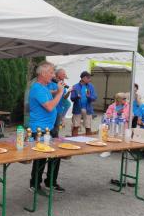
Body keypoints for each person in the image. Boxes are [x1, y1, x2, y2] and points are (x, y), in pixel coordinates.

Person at [29, 61, 64, 194]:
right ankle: (34, 184)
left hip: (49, 128)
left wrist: (57, 89)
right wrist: (60, 93)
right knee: (41, 157)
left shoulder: (44, 87)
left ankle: (50, 182)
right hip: (39, 129)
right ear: (43, 74)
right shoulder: (37, 88)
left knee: (56, 155)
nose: (53, 74)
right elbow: (49, 106)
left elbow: (51, 91)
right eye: (51, 72)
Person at [70, 71, 97, 136]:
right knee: (75, 127)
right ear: (83, 78)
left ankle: (87, 143)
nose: (90, 80)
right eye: (88, 78)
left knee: (88, 127)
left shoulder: (91, 86)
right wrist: (77, 97)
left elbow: (95, 98)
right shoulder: (75, 86)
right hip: (77, 109)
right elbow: (72, 98)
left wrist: (89, 96)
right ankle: (74, 143)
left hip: (88, 110)